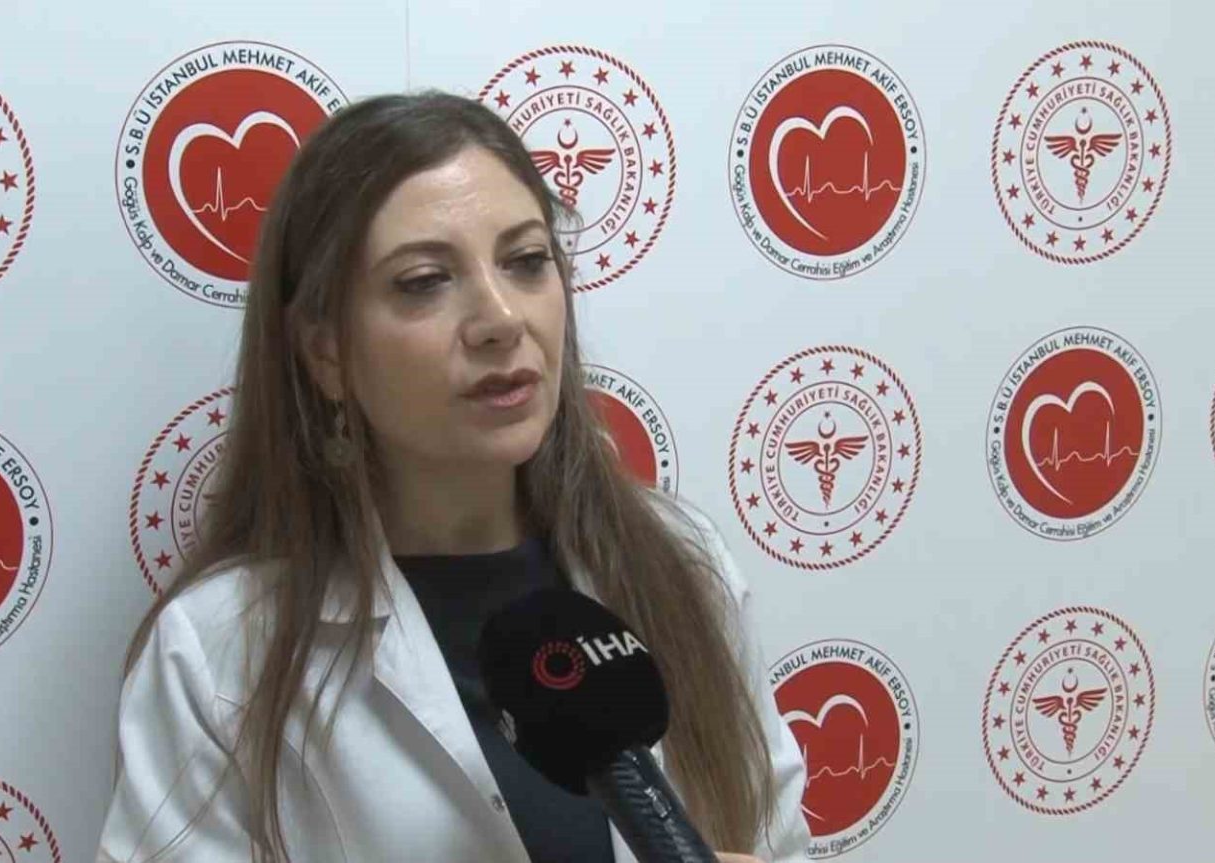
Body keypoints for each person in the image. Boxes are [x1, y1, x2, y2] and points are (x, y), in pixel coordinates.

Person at [95, 90, 811, 863]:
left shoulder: (682, 561)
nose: (501, 318)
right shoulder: (218, 652)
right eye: (425, 280)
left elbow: (778, 840)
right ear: (326, 350)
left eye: (527, 262)